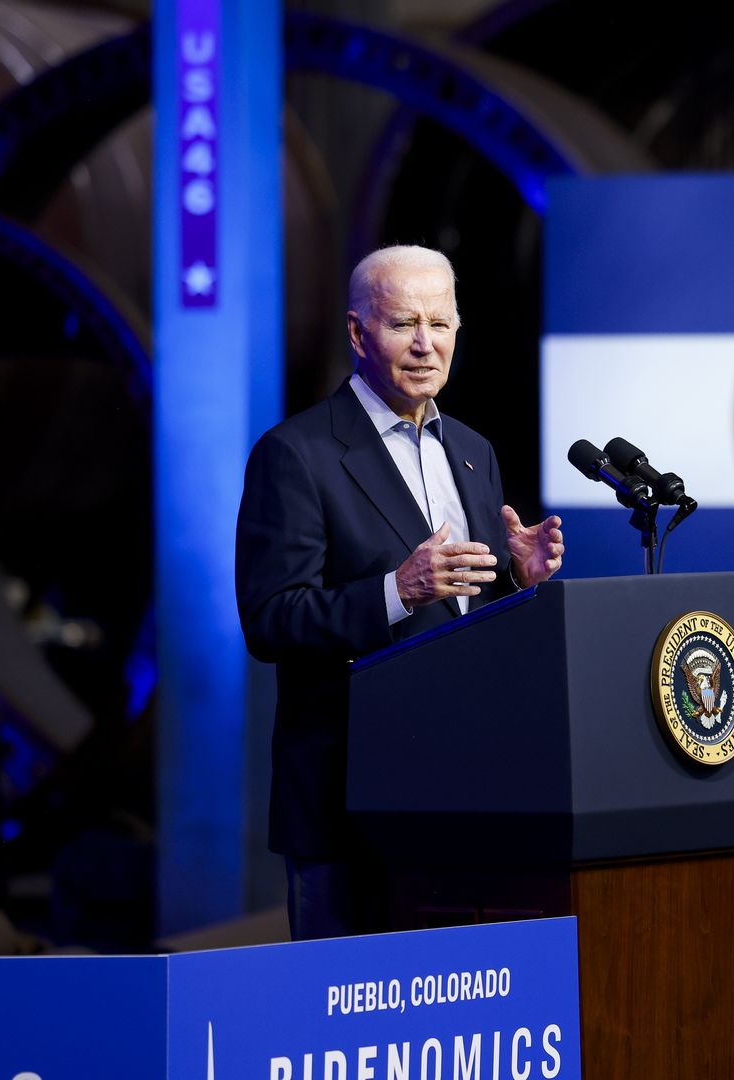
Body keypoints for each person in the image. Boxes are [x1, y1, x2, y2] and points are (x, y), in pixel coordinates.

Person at [235, 245, 564, 940]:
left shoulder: (474, 452)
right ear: (358, 334)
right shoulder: (296, 455)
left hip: (461, 798)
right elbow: (271, 620)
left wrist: (516, 584)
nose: (425, 344)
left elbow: (463, 626)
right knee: (346, 1020)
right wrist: (395, 589)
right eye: (402, 324)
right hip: (347, 805)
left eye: (440, 324)